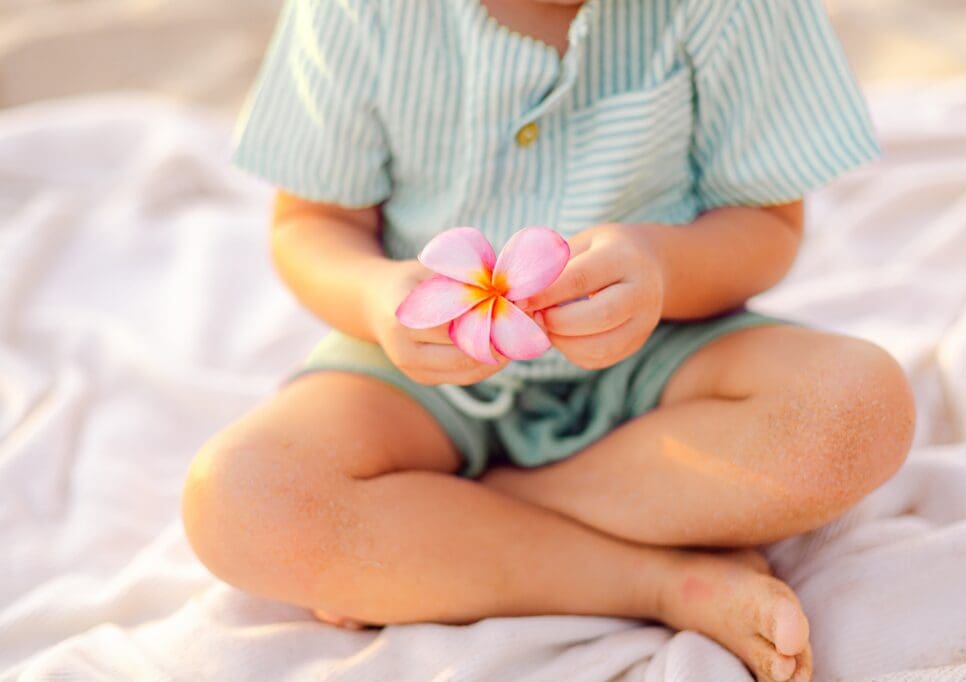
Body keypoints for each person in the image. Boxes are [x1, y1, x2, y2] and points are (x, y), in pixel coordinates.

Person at [182, 2, 916, 680]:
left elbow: (769, 225)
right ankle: (659, 581)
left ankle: (458, 520)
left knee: (858, 407)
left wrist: (660, 267)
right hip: (421, 374)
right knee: (239, 498)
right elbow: (310, 224)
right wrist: (378, 299)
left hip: (665, 350)